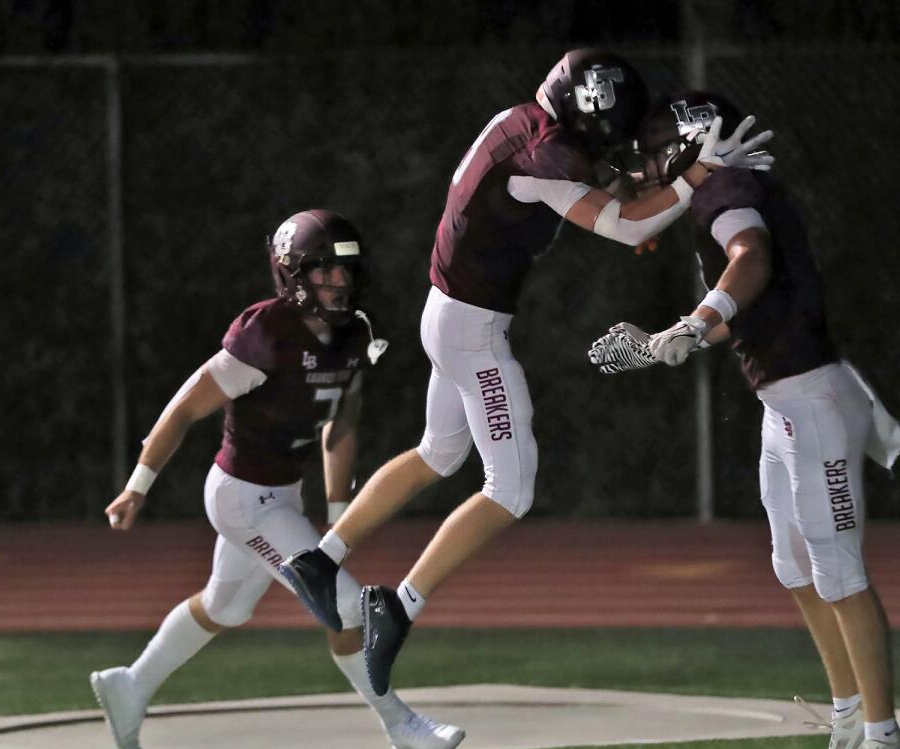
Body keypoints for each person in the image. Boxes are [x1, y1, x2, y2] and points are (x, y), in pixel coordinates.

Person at [276, 50, 773, 699]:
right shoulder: (548, 159)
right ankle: (398, 605)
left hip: (446, 311)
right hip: (474, 332)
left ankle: (319, 559)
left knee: (437, 452)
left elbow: (606, 186)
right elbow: (626, 227)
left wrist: (649, 176)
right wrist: (698, 173)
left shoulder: (523, 122)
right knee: (510, 488)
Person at [588, 92, 900, 749]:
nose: (647, 164)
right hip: (785, 400)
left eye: (655, 148)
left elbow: (751, 258)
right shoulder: (731, 189)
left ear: (691, 142)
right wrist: (665, 343)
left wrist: (694, 317)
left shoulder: (728, 193)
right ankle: (850, 717)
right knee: (794, 564)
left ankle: (889, 741)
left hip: (816, 400)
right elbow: (744, 311)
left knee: (839, 569)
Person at [93, 209, 463, 749]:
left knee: (226, 606)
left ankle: (131, 685)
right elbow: (185, 407)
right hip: (242, 497)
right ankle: (399, 723)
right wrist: (138, 485)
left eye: (345, 271)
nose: (338, 283)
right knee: (345, 606)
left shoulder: (354, 333)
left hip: (281, 494)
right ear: (292, 274)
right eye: (323, 272)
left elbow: (341, 424)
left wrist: (341, 511)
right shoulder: (265, 332)